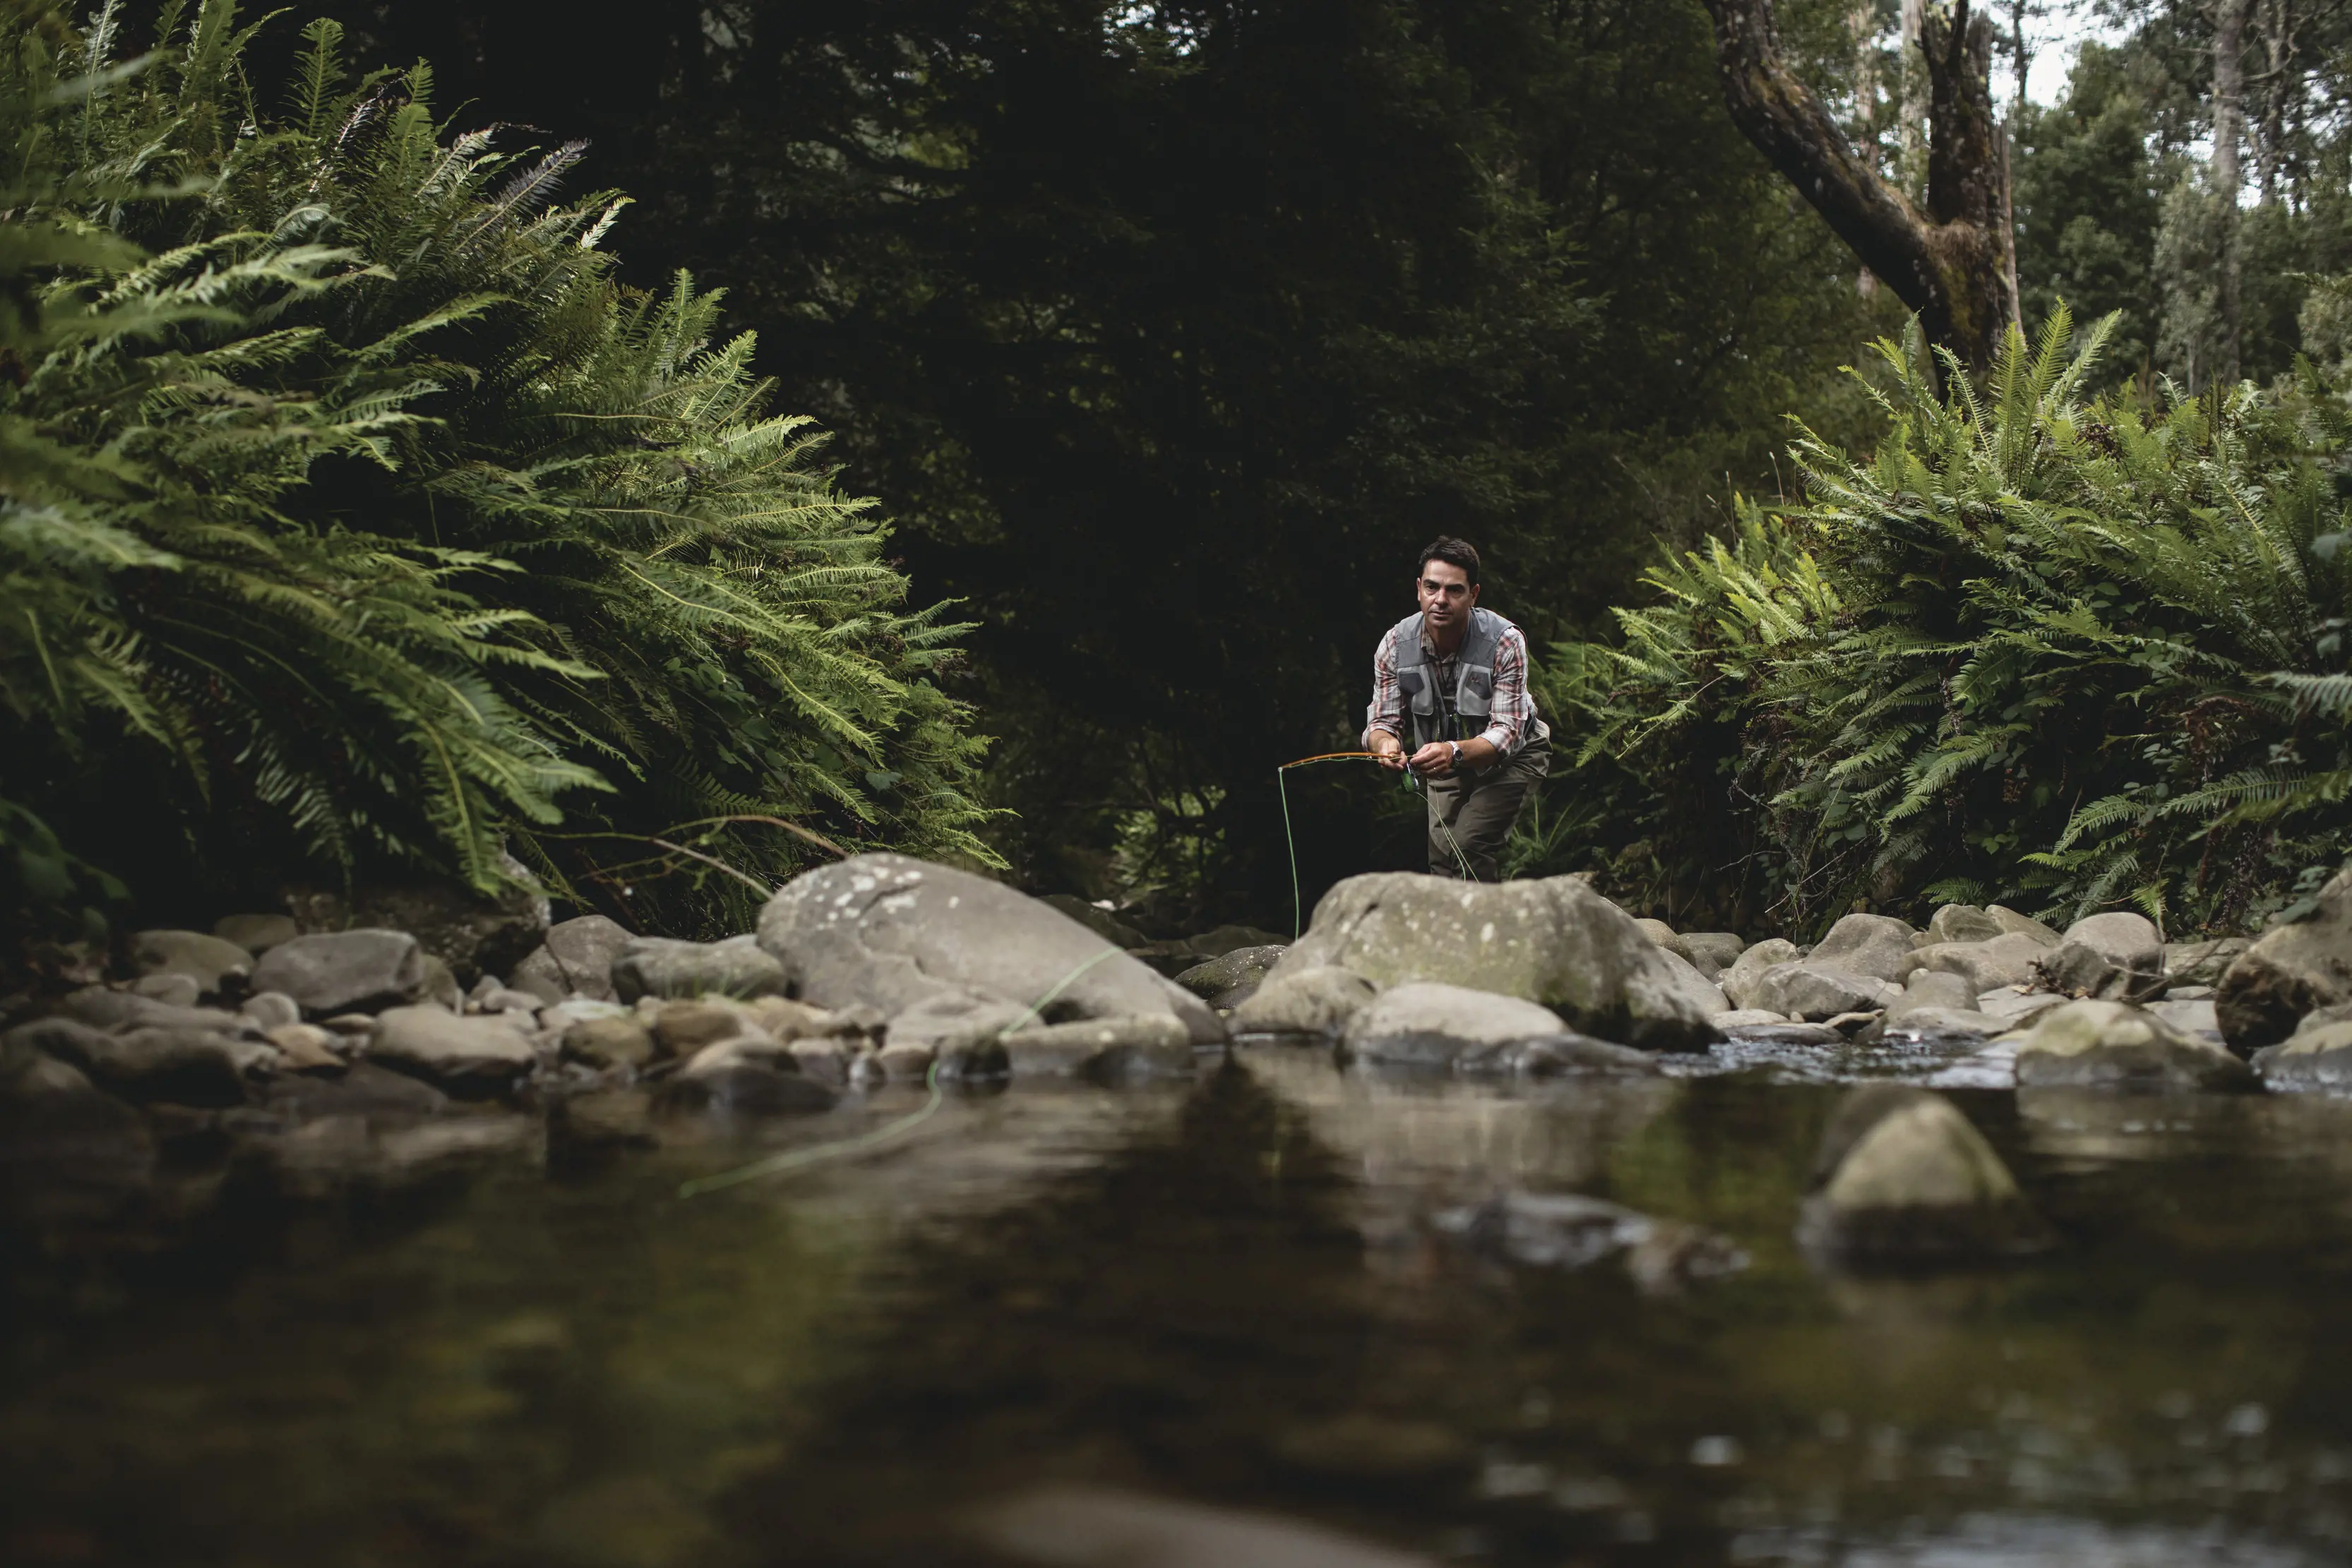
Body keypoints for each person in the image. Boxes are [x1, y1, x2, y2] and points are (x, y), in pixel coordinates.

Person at [1363, 537, 1551, 880]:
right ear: (1419, 588)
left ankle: (1486, 932)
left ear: (1474, 595)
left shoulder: (1506, 642)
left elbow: (1508, 733)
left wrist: (1453, 751)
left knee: (1467, 847)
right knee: (1442, 865)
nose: (1441, 600)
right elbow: (1382, 722)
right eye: (1432, 587)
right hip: (1443, 764)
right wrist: (1386, 744)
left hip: (1514, 757)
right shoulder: (1394, 645)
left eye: (1454, 590)